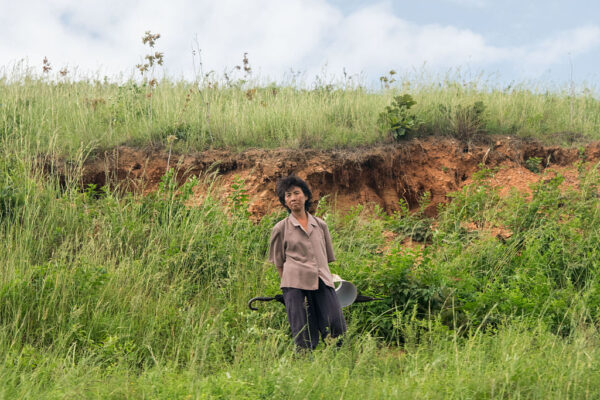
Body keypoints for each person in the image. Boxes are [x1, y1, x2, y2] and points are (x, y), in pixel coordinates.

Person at [268, 175, 346, 350]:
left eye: (297, 193)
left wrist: (324, 277)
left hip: (321, 280)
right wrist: (289, 287)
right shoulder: (280, 228)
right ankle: (304, 362)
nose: (293, 198)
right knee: (302, 329)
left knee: (335, 321)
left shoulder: (320, 225)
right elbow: (279, 262)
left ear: (306, 196)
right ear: (285, 201)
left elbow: (325, 257)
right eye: (288, 195)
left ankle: (337, 354)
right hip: (294, 283)